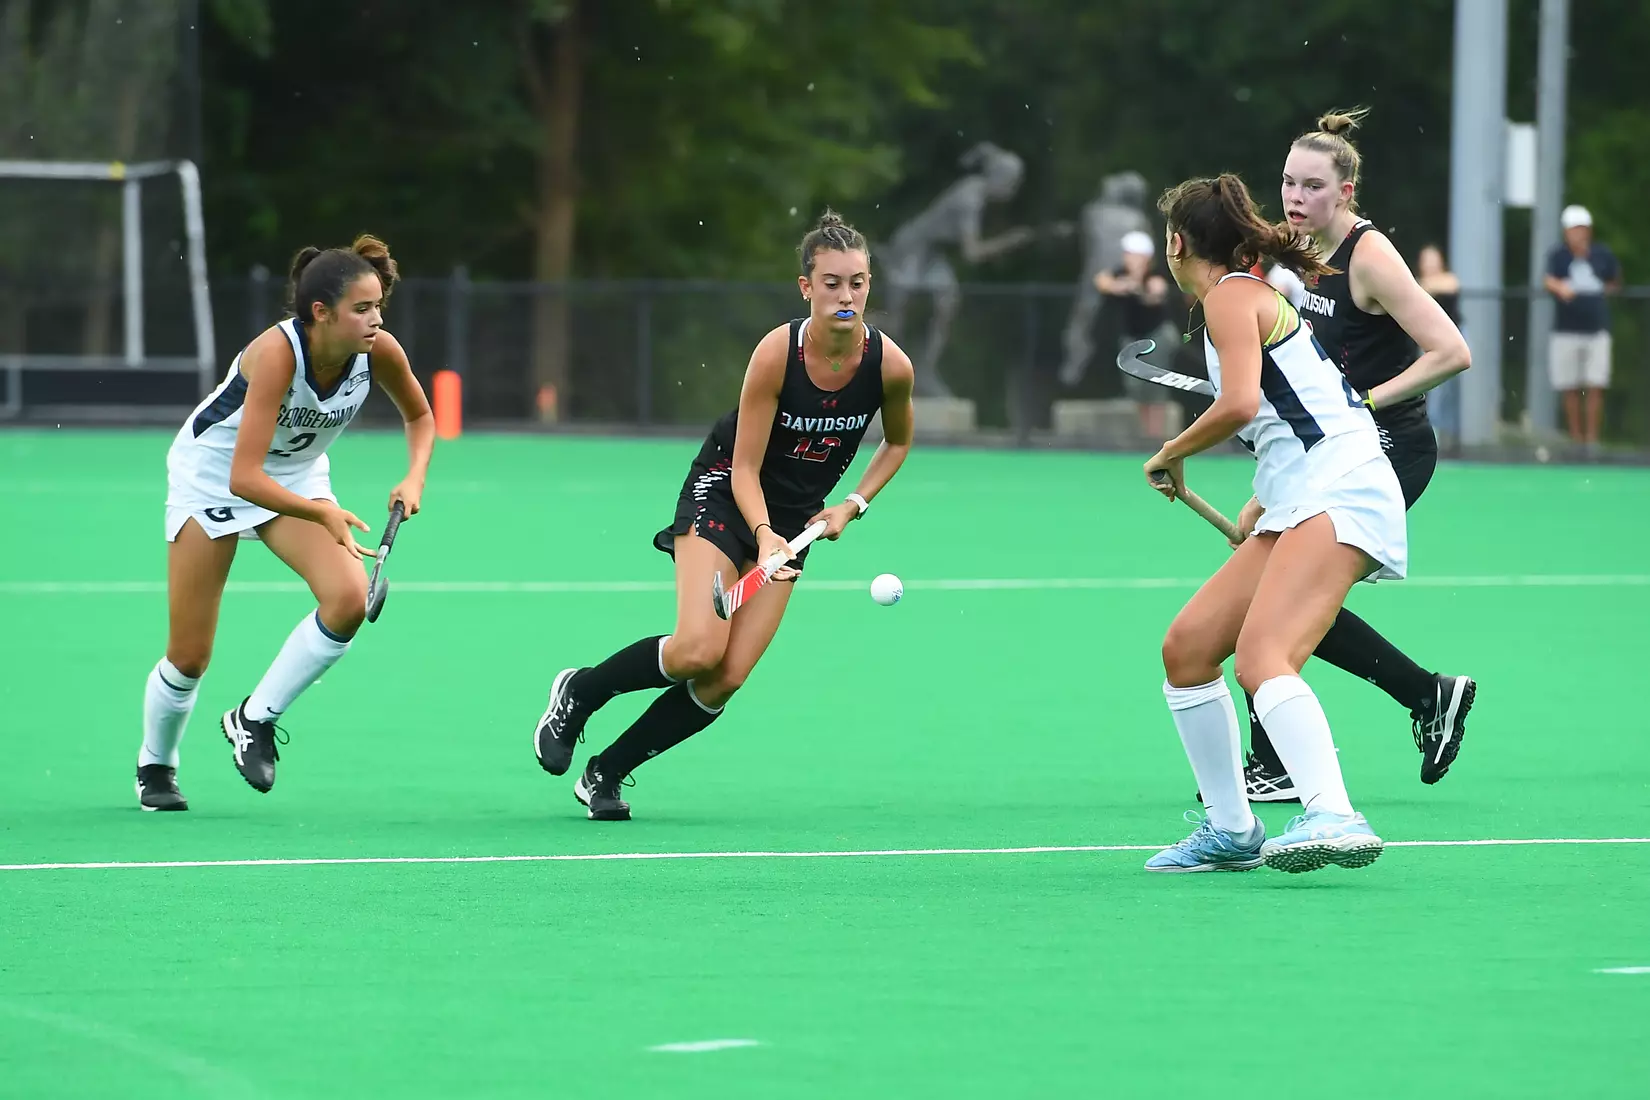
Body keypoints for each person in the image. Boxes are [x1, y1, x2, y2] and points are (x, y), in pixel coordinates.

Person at [530, 210, 915, 821]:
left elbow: (896, 443)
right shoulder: (776, 355)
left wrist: (853, 503)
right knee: (694, 652)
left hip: (795, 520)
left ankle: (608, 770)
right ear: (806, 287)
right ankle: (581, 691)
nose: (847, 295)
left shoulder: (889, 367)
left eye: (859, 282)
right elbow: (742, 470)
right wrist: (763, 537)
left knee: (725, 677)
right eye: (833, 282)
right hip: (727, 492)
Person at [1143, 173, 1403, 874]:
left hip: (1341, 485)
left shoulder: (1230, 296)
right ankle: (1231, 830)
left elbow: (1238, 404)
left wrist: (1170, 453)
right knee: (1189, 648)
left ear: (1177, 242)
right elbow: (1285, 414)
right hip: (1300, 489)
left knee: (1264, 659)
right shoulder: (1242, 298)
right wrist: (1265, 496)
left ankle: (1335, 813)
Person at [135, 235, 434, 811]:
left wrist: (414, 475)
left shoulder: (379, 351)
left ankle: (254, 718)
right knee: (190, 654)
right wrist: (320, 510)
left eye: (378, 308)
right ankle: (156, 764)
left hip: (294, 476)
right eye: (362, 309)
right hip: (214, 476)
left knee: (348, 599)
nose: (376, 321)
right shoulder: (277, 354)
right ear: (320, 313)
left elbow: (420, 415)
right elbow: (245, 476)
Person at [1232, 108, 1475, 804]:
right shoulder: (1290, 251)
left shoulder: (1368, 256)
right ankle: (1429, 695)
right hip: (1326, 452)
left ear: (1346, 193)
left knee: (1285, 593)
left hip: (1389, 450)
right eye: (1287, 183)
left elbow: (1452, 352)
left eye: (1312, 186)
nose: (1295, 197)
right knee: (1272, 593)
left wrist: (1366, 401)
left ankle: (1277, 760)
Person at [1543, 204, 1622, 449]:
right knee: (1570, 386)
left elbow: (1615, 281)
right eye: (1574, 228)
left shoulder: (1601, 255)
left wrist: (1600, 292)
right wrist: (1559, 287)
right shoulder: (1558, 256)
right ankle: (1576, 440)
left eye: (1582, 228)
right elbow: (1548, 280)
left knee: (1596, 384)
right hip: (1565, 330)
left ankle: (1592, 440)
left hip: (1596, 329)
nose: (1579, 233)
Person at [1098, 230, 1179, 439]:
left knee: (1157, 386)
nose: (1128, 258)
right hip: (1132, 339)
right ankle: (1147, 436)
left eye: (1132, 254)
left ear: (1144, 257)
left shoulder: (1156, 274)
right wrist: (1121, 286)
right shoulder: (1120, 273)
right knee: (1137, 388)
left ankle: (1156, 437)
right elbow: (1101, 280)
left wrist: (1139, 288)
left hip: (1156, 337)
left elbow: (1156, 294)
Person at [1415, 244, 1463, 447]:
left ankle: (1449, 437)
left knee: (1449, 392)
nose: (1431, 265)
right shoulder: (1417, 283)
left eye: (1434, 260)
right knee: (1429, 389)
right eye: (1427, 261)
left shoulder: (1448, 279)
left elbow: (1450, 285)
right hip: (1427, 342)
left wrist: (1426, 284)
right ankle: (1432, 436)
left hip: (1453, 341)